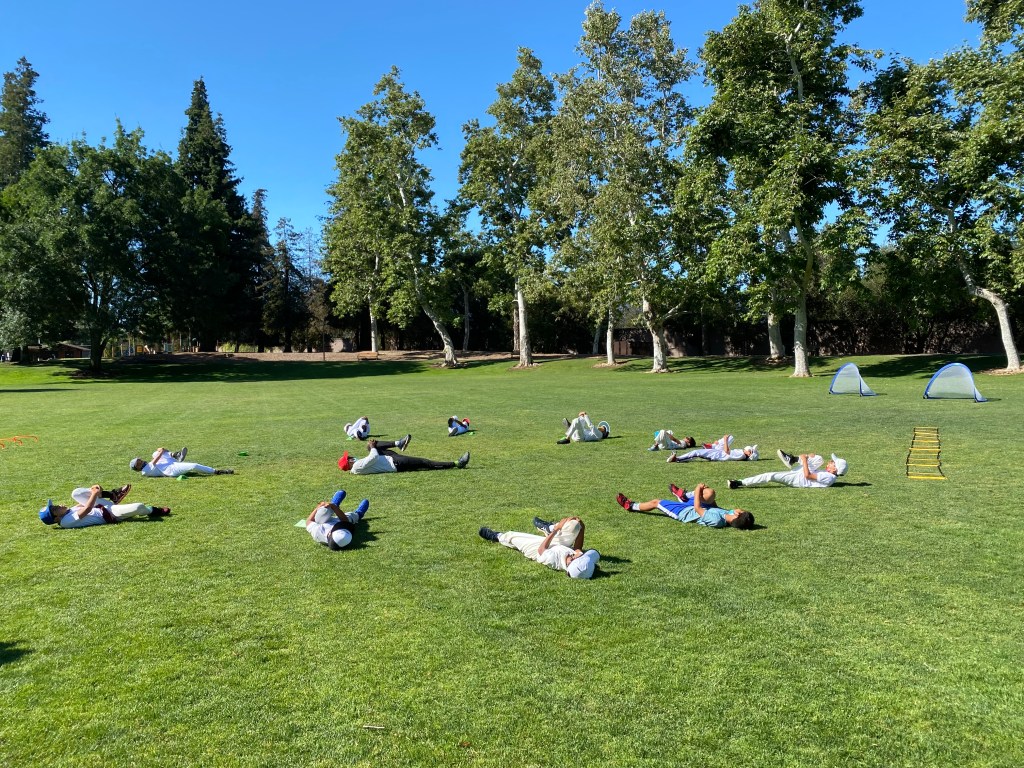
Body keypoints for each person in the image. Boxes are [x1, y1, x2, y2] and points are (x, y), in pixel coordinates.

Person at [478, 516, 600, 579]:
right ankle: (549, 528)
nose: (579, 555)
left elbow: (542, 549)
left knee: (512, 537)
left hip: (538, 548)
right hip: (558, 545)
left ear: (571, 562)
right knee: (574, 525)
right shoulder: (574, 559)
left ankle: (497, 536)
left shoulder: (552, 560)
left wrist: (557, 529)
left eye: (579, 557)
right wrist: (581, 527)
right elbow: (578, 549)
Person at [615, 483, 755, 529]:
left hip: (684, 512)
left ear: (737, 515)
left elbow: (698, 509)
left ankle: (631, 506)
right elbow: (714, 506)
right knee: (710, 493)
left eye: (741, 511)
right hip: (695, 506)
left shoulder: (717, 521)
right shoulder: (728, 514)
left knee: (656, 502)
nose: (739, 509)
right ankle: (684, 496)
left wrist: (698, 489)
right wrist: (709, 496)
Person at [39, 484, 170, 528]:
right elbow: (87, 509)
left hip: (103, 507)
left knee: (76, 493)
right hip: (110, 514)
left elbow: (84, 503)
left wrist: (97, 491)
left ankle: (112, 494)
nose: (58, 505)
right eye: (55, 509)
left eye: (54, 505)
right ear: (56, 518)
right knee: (138, 507)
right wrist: (94, 493)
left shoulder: (67, 513)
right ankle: (152, 510)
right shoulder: (65, 522)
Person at [339, 436, 469, 474]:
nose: (350, 457)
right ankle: (457, 463)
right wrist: (373, 448)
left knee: (369, 446)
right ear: (348, 463)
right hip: (395, 463)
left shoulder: (356, 466)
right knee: (424, 462)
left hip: (390, 459)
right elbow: (373, 457)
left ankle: (399, 443)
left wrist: (372, 447)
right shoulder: (357, 466)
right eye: (348, 458)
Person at [728, 451, 847, 490]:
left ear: (835, 469)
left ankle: (739, 482)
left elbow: (808, 476)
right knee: (819, 458)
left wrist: (805, 460)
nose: (830, 462)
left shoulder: (829, 477)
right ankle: (792, 459)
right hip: (801, 474)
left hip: (798, 479)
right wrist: (809, 457)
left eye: (832, 463)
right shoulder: (829, 474)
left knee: (770, 475)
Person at [305, 489, 370, 550]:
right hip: (337, 522)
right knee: (350, 518)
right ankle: (358, 514)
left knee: (323, 511)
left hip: (321, 521)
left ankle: (334, 503)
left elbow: (308, 521)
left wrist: (318, 507)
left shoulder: (318, 533)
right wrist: (335, 508)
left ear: (330, 533)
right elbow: (345, 521)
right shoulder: (343, 536)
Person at [129, 447, 234, 478]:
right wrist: (161, 451)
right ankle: (217, 471)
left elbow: (156, 457)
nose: (140, 460)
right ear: (137, 468)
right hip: (171, 470)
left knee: (154, 453)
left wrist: (160, 450)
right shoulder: (145, 471)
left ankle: (176, 455)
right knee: (194, 465)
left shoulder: (146, 466)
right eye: (138, 462)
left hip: (168, 464)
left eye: (139, 460)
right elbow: (154, 461)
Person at [667, 435, 758, 463]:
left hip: (717, 454)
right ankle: (712, 446)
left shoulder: (741, 455)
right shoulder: (742, 453)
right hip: (719, 451)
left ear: (749, 454)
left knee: (696, 452)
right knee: (731, 437)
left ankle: (677, 459)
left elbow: (727, 452)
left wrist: (725, 441)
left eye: (750, 450)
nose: (749, 448)